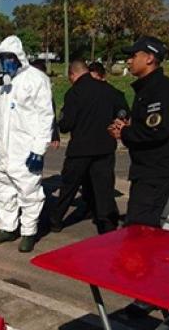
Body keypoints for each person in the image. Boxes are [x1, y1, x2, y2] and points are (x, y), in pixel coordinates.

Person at [107, 36, 169, 318]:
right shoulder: (147, 89)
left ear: (150, 58)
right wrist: (128, 127)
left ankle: (149, 294)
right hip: (147, 169)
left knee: (142, 229)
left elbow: (157, 131)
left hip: (157, 170)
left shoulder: (163, 90)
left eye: (133, 55)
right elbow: (147, 127)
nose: (129, 60)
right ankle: (152, 288)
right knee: (143, 228)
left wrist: (124, 133)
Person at [0, 35, 55, 253]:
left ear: (19, 57)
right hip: (3, 150)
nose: (6, 62)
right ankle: (8, 227)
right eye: (2, 58)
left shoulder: (36, 79)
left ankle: (28, 231)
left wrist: (38, 150)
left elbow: (45, 116)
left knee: (29, 192)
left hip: (24, 149)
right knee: (4, 189)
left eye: (10, 57)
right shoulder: (1, 83)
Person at [49, 59, 128, 234]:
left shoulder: (74, 93)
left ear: (73, 74)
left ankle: (56, 219)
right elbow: (123, 111)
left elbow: (66, 124)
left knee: (69, 187)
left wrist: (62, 122)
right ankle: (107, 224)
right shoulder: (109, 90)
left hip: (80, 149)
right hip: (105, 148)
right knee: (104, 188)